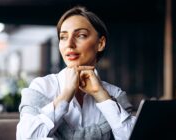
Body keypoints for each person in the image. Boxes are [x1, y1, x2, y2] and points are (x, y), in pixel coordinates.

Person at [16, 6, 136, 140]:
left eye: (81, 35)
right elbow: (26, 137)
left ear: (100, 43)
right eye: (63, 37)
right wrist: (66, 94)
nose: (69, 44)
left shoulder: (114, 94)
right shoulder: (41, 88)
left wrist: (101, 95)